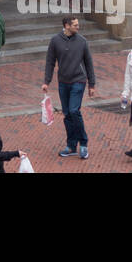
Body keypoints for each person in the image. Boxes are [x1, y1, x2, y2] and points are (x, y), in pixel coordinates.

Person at [42, 15, 96, 159]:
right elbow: (50, 62)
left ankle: (83, 143)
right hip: (63, 82)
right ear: (66, 26)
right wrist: (46, 81)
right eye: (75, 25)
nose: (78, 27)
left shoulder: (82, 41)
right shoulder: (55, 41)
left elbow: (89, 63)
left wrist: (92, 84)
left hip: (79, 80)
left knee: (73, 110)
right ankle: (71, 146)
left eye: (78, 25)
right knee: (67, 114)